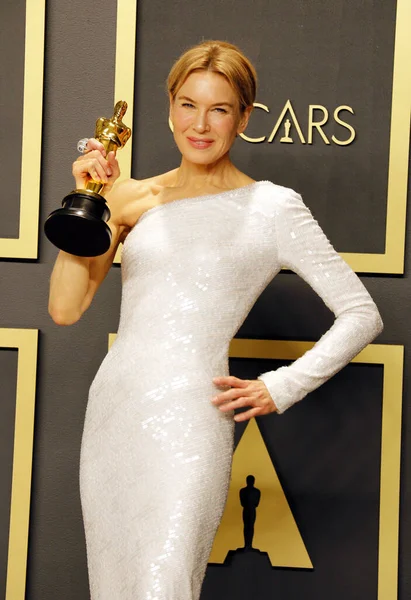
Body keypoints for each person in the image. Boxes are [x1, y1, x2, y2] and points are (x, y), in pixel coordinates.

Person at [48, 40, 383, 600]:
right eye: (187, 104)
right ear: (169, 109)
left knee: (166, 584)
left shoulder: (274, 207)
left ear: (244, 118)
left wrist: (281, 386)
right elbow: (66, 308)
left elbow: (361, 313)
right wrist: (88, 198)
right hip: (115, 413)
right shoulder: (130, 197)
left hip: (189, 423)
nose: (200, 124)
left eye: (219, 109)